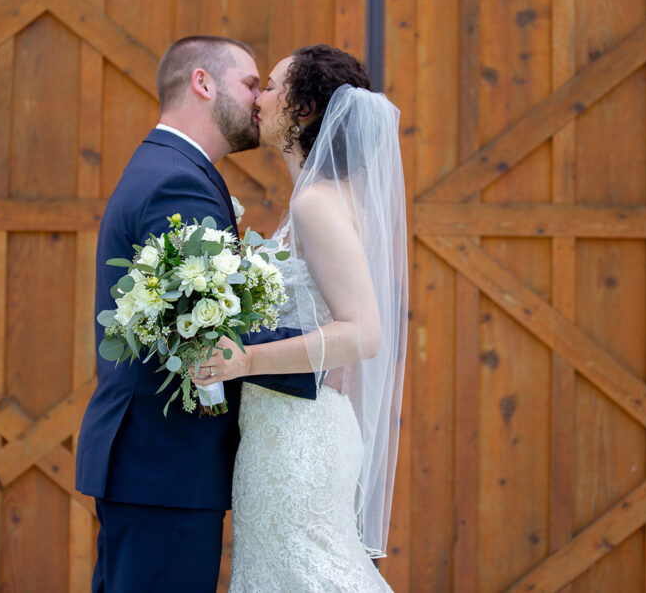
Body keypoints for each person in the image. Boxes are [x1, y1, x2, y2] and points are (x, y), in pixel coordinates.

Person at [75, 35, 318, 592]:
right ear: (202, 83)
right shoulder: (177, 180)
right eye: (251, 83)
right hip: (165, 466)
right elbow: (202, 334)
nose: (259, 100)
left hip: (150, 469)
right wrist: (323, 357)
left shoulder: (171, 166)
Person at [195, 45, 408, 591]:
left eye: (270, 85)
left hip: (299, 439)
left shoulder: (316, 203)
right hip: (282, 429)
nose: (258, 98)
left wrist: (243, 360)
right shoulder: (320, 197)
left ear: (304, 108)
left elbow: (362, 333)